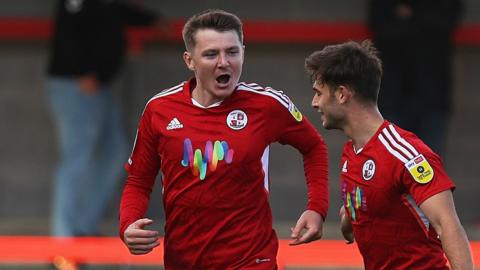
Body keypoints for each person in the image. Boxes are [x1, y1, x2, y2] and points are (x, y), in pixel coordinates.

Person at [119, 9, 329, 269]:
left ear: (243, 52)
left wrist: (317, 208)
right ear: (189, 60)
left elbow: (314, 146)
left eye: (232, 52)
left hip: (252, 258)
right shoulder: (159, 110)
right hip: (184, 260)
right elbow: (138, 180)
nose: (224, 62)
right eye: (211, 54)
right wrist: (128, 224)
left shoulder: (267, 105)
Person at [305, 40, 473, 269]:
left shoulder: (405, 153)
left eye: (318, 93)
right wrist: (349, 219)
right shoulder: (350, 154)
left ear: (342, 94)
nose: (314, 103)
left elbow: (448, 225)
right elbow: (369, 212)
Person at [47, 0, 158, 236]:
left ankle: (82, 226)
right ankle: (63, 237)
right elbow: (69, 29)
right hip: (75, 83)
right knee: (77, 156)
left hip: (100, 86)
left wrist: (155, 20)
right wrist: (81, 72)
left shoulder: (104, 4)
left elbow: (115, 11)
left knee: (115, 151)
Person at [368, 0, 463, 157]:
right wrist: (421, 19)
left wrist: (409, 16)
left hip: (431, 95)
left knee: (430, 169)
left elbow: (446, 23)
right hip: (393, 94)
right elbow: (379, 24)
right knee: (390, 169)